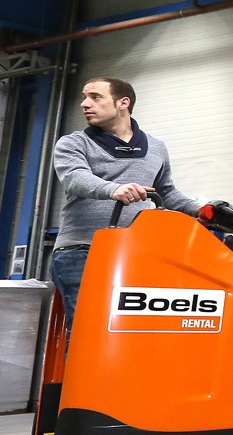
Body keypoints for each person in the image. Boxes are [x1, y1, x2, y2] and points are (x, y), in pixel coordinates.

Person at [51, 77, 210, 330]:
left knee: (127, 330)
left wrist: (201, 210)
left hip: (135, 252)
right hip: (82, 251)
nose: (85, 104)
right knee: (88, 331)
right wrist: (114, 189)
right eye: (84, 97)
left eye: (95, 96)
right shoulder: (73, 143)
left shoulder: (156, 147)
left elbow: (166, 192)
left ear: (123, 102)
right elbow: (74, 178)